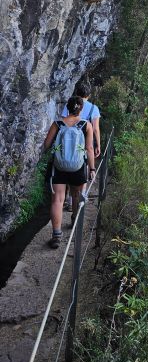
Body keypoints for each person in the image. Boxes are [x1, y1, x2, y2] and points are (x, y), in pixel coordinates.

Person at [43, 96, 96, 249]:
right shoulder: (86, 125)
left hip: (58, 166)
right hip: (78, 167)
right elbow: (89, 149)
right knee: (76, 195)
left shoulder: (57, 124)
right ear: (81, 109)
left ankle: (56, 236)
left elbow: (47, 145)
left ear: (67, 107)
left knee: (57, 200)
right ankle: (73, 219)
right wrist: (92, 168)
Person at [62, 82, 101, 157]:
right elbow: (95, 129)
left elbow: (64, 121)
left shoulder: (69, 104)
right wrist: (98, 145)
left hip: (68, 137)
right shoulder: (94, 108)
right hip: (85, 140)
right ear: (89, 95)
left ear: (76, 93)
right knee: (85, 157)